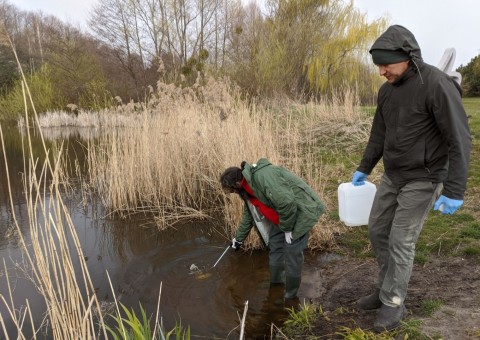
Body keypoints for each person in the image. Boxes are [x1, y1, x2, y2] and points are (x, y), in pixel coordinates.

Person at [351, 25, 471, 332]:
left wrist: (455, 189)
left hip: (425, 177)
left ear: (407, 56)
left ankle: (393, 301)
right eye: (378, 64)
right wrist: (365, 166)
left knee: (401, 239)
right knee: (378, 231)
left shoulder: (436, 85)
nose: (381, 71)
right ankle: (384, 287)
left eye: (386, 64)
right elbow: (379, 133)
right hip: (393, 175)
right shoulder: (386, 91)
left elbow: (459, 138)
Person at [220, 158, 325, 303]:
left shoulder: (263, 177)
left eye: (232, 190)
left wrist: (288, 229)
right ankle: (276, 288)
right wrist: (238, 239)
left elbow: (287, 203)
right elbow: (249, 215)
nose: (233, 193)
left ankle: (290, 296)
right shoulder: (247, 190)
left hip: (298, 215)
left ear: (237, 184)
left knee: (293, 255)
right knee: (276, 252)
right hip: (279, 221)